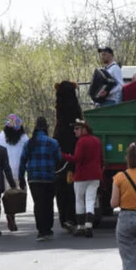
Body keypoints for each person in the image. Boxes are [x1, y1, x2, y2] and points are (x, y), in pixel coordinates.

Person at [61, 118, 103, 237]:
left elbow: (77, 158)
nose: (75, 131)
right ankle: (89, 225)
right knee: (90, 200)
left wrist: (64, 156)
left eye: (77, 128)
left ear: (84, 129)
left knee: (79, 200)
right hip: (95, 175)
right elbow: (101, 158)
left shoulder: (81, 142)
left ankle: (80, 226)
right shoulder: (97, 141)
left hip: (81, 175)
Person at [22, 116, 61, 241]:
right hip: (49, 177)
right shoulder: (53, 142)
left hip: (34, 178)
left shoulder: (29, 143)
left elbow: (23, 161)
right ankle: (48, 229)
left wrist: (20, 177)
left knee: (38, 204)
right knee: (48, 203)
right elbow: (59, 158)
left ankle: (41, 230)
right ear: (46, 128)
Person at [52, 80, 83, 231]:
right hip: (73, 156)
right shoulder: (77, 125)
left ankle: (64, 217)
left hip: (62, 157)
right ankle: (72, 216)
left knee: (62, 187)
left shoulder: (60, 123)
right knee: (72, 187)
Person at [0, 114, 29, 231]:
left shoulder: (0, 136)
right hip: (19, 171)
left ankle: (10, 215)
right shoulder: (24, 138)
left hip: (5, 171)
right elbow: (28, 153)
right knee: (18, 196)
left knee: (8, 195)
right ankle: (12, 215)